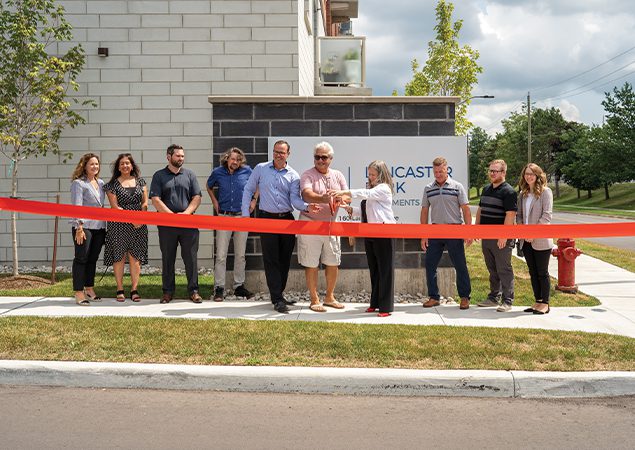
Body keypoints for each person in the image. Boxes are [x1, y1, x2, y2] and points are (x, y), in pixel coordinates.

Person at [241, 140, 321, 314]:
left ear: (288, 154)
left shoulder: (293, 175)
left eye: (282, 152)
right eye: (276, 151)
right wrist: (245, 216)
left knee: (284, 260)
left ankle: (279, 294)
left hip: (286, 220)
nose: (278, 155)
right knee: (271, 259)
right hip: (267, 219)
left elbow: (294, 200)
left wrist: (307, 206)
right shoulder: (261, 168)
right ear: (273, 152)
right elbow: (248, 190)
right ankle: (277, 298)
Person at [329, 160, 396, 317]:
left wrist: (344, 193)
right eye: (369, 174)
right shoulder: (373, 188)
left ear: (381, 174)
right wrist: (349, 208)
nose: (370, 177)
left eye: (373, 174)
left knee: (385, 270)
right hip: (370, 233)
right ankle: (375, 303)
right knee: (374, 270)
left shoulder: (383, 188)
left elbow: (366, 194)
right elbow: (367, 210)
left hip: (384, 232)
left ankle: (386, 308)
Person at [298, 141, 348, 312]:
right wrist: (323, 198)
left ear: (330, 159)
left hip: (331, 225)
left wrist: (341, 199)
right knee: (311, 263)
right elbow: (306, 194)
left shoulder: (338, 175)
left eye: (324, 157)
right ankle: (314, 299)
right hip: (310, 223)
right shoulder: (307, 174)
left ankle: (329, 297)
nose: (320, 160)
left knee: (333, 261)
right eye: (317, 157)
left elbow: (347, 196)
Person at [150, 144, 202, 304]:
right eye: (178, 156)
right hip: (166, 225)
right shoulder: (159, 176)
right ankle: (167, 292)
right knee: (168, 258)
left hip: (188, 224)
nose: (181, 158)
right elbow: (155, 199)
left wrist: (185, 215)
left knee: (191, 259)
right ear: (169, 156)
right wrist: (171, 216)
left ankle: (194, 291)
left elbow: (197, 197)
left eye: (182, 156)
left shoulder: (190, 175)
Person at [420, 157, 472, 310]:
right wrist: (423, 234)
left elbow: (466, 209)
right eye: (435, 172)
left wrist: (468, 232)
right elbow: (424, 211)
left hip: (454, 230)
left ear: (447, 169)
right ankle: (434, 297)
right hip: (435, 230)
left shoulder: (457, 186)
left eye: (441, 171)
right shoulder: (428, 188)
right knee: (429, 264)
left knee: (460, 264)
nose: (438, 174)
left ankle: (464, 297)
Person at [206, 147, 255, 301]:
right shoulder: (217, 172)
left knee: (240, 255)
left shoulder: (247, 171)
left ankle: (238, 286)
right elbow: (208, 186)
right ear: (227, 158)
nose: (236, 162)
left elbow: (258, 184)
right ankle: (219, 287)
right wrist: (214, 201)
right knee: (221, 255)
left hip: (242, 216)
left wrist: (254, 200)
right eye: (233, 159)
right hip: (224, 216)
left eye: (239, 160)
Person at [103, 153, 148, 303]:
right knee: (119, 256)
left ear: (132, 165)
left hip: (139, 224)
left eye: (127, 163)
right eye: (122, 163)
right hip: (118, 224)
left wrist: (140, 219)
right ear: (118, 167)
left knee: (135, 257)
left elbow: (145, 203)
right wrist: (131, 220)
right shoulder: (111, 185)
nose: (125, 166)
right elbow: (115, 207)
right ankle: (120, 289)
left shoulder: (141, 182)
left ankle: (134, 289)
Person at [475, 159, 517, 312]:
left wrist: (504, 236)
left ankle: (507, 301)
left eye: (496, 171)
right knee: (492, 268)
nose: (492, 173)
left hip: (501, 238)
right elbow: (480, 210)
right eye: (491, 171)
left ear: (503, 173)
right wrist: (476, 229)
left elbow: (510, 215)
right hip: (486, 236)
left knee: (504, 269)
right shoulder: (486, 189)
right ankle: (493, 298)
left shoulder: (509, 191)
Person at [70, 153, 106, 306]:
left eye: (96, 164)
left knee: (92, 259)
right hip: (84, 227)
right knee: (81, 258)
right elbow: (77, 205)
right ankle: (79, 292)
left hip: (99, 227)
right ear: (84, 166)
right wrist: (79, 227)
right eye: (91, 164)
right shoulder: (78, 183)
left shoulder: (102, 183)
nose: (95, 167)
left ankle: (89, 288)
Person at [517, 163, 553, 315]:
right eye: (526, 174)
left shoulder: (546, 192)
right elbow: (519, 215)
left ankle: (545, 303)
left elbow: (546, 216)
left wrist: (533, 233)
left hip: (540, 240)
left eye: (532, 173)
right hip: (525, 240)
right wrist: (522, 232)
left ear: (538, 175)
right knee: (532, 271)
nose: (529, 176)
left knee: (542, 272)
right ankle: (537, 301)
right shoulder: (522, 194)